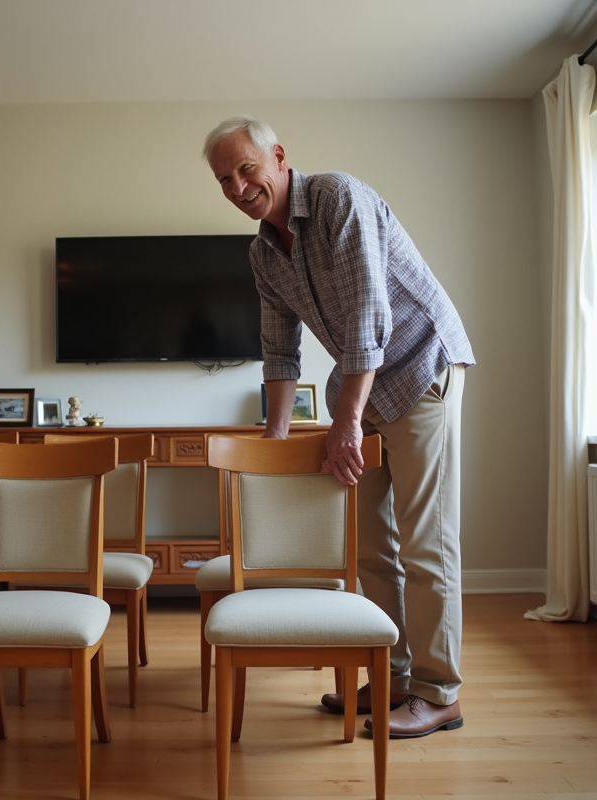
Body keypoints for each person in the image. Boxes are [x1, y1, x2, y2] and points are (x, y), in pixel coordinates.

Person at [202, 116, 475, 739]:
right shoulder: (261, 252)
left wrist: (344, 425)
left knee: (425, 539)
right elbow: (279, 350)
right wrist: (273, 443)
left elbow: (365, 321)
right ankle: (393, 677)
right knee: (372, 544)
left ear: (277, 156)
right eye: (224, 179)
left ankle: (440, 694)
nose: (238, 187)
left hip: (419, 365)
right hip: (365, 385)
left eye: (246, 169)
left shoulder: (336, 199)